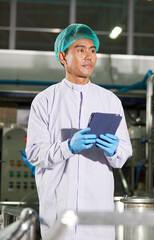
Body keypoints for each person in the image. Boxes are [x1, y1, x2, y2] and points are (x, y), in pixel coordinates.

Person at [25, 23, 132, 240]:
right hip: (58, 212)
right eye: (81, 50)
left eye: (93, 50)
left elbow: (122, 156)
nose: (89, 57)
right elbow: (35, 153)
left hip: (97, 215)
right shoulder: (45, 101)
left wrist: (114, 151)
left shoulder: (109, 101)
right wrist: (67, 147)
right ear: (62, 56)